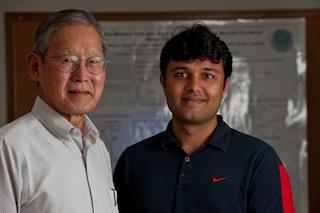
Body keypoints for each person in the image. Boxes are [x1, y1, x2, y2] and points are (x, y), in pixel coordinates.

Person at [113, 24, 295, 213]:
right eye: (181, 74)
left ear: (225, 86)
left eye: (207, 75)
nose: (194, 86)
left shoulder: (260, 160)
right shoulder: (133, 161)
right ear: (163, 82)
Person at [0, 9, 118, 213]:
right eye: (68, 61)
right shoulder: (9, 148)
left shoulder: (98, 148)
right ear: (36, 67)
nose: (82, 75)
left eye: (93, 62)